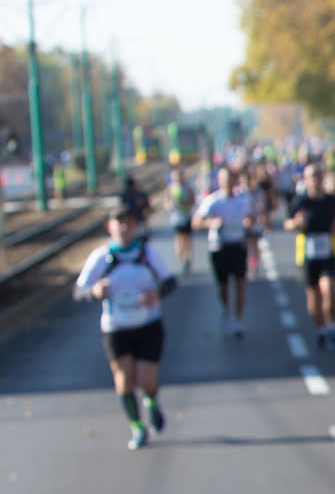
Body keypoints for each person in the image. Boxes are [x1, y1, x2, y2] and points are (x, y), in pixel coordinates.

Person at [73, 205, 179, 450]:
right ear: (109, 226)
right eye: (118, 222)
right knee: (124, 380)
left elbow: (171, 282)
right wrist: (95, 291)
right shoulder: (101, 257)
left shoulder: (147, 253)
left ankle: (151, 401)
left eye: (129, 222)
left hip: (148, 325)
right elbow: (79, 291)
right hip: (116, 327)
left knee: (146, 378)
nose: (124, 227)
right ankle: (137, 426)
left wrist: (157, 295)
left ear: (136, 226)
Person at [284, 162, 335, 348]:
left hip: (328, 251)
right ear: (306, 180)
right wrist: (296, 223)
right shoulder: (301, 201)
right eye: (311, 176)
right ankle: (321, 329)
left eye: (318, 175)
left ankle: (332, 326)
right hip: (308, 254)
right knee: (314, 298)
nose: (315, 179)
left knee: (330, 290)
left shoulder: (332, 200)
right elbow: (288, 223)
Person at [191, 166, 255, 337]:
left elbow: (251, 216)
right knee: (223, 285)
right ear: (219, 181)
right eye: (224, 180)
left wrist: (249, 222)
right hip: (218, 247)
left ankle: (238, 320)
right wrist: (211, 223)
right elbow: (196, 221)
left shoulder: (244, 199)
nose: (227, 183)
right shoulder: (212, 201)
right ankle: (226, 307)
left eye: (230, 179)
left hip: (238, 245)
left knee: (241, 283)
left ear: (235, 181)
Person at [166, 167, 196, 274]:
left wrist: (186, 203)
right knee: (179, 238)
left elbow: (193, 201)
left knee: (187, 238)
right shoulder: (170, 189)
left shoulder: (188, 188)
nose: (176, 178)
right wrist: (171, 205)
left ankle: (188, 258)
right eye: (174, 176)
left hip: (186, 216)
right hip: (176, 218)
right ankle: (181, 258)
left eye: (178, 176)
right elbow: (166, 203)